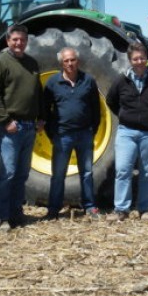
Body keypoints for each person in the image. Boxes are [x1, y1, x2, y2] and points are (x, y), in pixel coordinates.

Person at [105, 42, 148, 221]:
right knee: (122, 170)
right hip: (127, 132)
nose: (139, 61)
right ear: (130, 60)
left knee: (146, 171)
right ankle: (121, 208)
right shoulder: (122, 81)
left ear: (146, 58)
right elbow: (111, 101)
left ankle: (144, 208)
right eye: (135, 58)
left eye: (142, 57)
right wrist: (125, 115)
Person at [0, 24, 44, 231]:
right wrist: (5, 120)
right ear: (8, 41)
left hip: (29, 126)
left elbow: (38, 93)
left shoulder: (31, 63)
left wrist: (41, 118)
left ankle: (16, 213)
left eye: (22, 40)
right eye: (15, 40)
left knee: (22, 173)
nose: (19, 43)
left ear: (27, 42)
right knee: (8, 173)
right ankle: (1, 217)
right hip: (12, 126)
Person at [44, 47, 101, 220]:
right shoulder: (53, 83)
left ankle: (90, 206)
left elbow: (96, 109)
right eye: (66, 61)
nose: (70, 63)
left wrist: (92, 130)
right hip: (63, 136)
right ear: (61, 63)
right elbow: (45, 110)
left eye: (73, 60)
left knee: (87, 172)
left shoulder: (88, 81)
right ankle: (53, 208)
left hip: (84, 134)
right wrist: (53, 133)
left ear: (78, 61)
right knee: (58, 174)